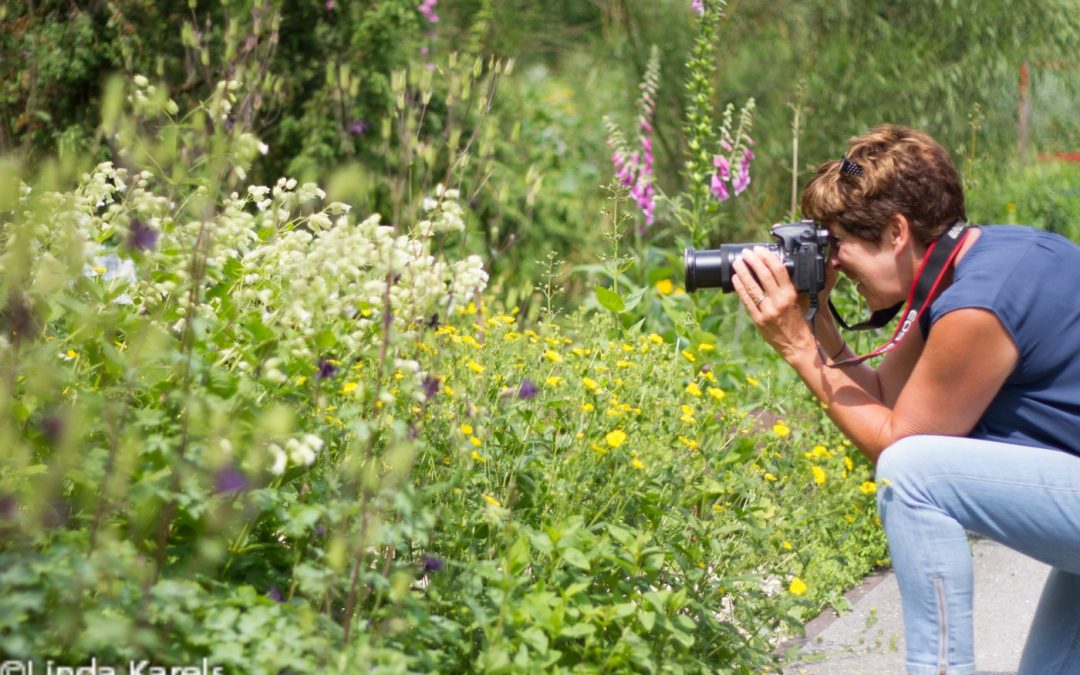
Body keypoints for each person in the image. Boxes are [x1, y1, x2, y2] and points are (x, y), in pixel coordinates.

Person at [730, 124, 1080, 675]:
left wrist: (796, 349)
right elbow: (887, 398)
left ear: (895, 232)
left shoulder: (976, 308)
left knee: (911, 474)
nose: (834, 265)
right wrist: (814, 319)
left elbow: (897, 443)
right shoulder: (978, 260)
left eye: (837, 245)